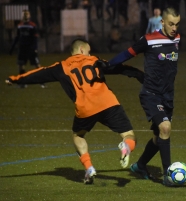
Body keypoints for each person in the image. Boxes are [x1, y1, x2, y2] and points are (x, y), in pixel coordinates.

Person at [5, 39, 145, 185]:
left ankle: (89, 168)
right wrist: (137, 74)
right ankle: (127, 146)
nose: (90, 53)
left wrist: (16, 79)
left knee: (78, 135)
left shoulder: (62, 66)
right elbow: (116, 67)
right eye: (89, 50)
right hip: (108, 103)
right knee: (129, 135)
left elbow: (39, 74)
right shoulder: (94, 60)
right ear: (82, 50)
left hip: (85, 109)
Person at [108, 7, 181, 186]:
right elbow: (127, 54)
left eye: (177, 24)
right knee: (165, 128)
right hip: (151, 94)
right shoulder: (148, 40)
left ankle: (140, 166)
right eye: (171, 24)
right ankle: (168, 175)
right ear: (162, 22)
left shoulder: (177, 38)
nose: (174, 28)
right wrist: (107, 65)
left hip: (168, 96)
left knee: (158, 138)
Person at [9, 10, 45, 88]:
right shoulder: (20, 26)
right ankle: (23, 83)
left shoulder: (32, 25)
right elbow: (17, 37)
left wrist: (34, 48)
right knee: (21, 66)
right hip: (22, 48)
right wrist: (12, 47)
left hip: (30, 48)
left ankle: (42, 81)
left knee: (37, 66)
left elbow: (35, 38)